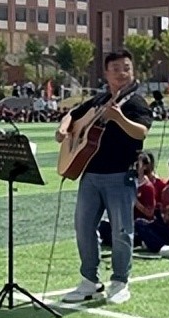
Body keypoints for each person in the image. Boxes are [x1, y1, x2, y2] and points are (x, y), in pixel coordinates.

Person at [57, 49, 152, 304]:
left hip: (120, 176)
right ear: (106, 73)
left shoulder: (135, 102)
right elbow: (72, 115)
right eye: (116, 69)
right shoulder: (99, 99)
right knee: (84, 228)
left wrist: (119, 118)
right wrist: (64, 128)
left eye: (127, 68)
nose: (122, 73)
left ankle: (120, 281)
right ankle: (89, 280)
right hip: (90, 174)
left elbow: (141, 132)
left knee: (122, 231)